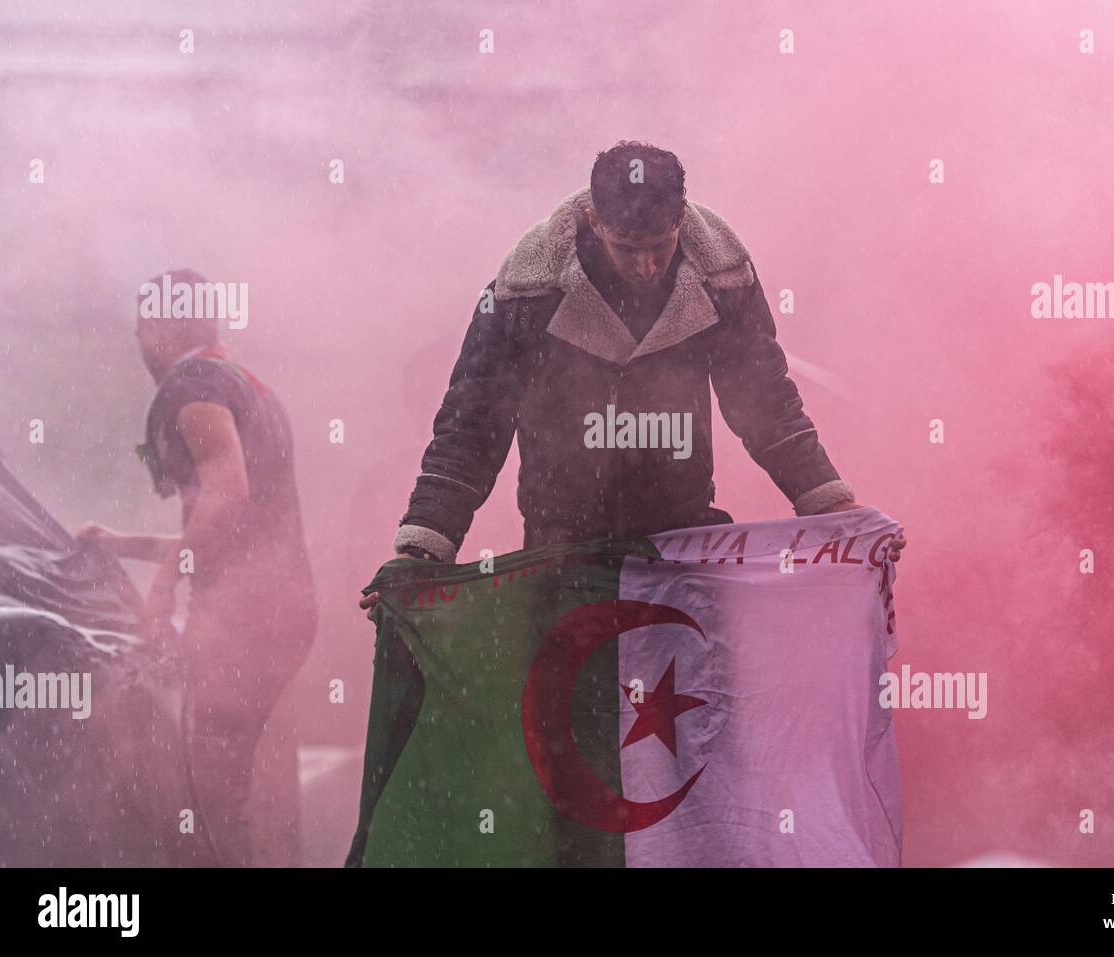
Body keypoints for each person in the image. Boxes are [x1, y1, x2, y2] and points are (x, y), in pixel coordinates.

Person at [361, 141, 904, 615]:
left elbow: (765, 403)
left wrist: (830, 506)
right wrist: (423, 546)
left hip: (683, 541)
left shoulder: (724, 278)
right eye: (627, 248)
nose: (646, 267)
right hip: (561, 549)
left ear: (681, 218)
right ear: (594, 221)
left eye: (660, 246)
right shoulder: (525, 291)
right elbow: (473, 425)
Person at [79, 268, 317, 866]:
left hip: (247, 626)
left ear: (161, 327)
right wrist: (124, 544)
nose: (138, 342)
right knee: (222, 789)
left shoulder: (193, 388)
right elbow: (228, 532)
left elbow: (227, 493)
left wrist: (165, 583)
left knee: (206, 797)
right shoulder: (242, 383)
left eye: (141, 327)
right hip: (277, 615)